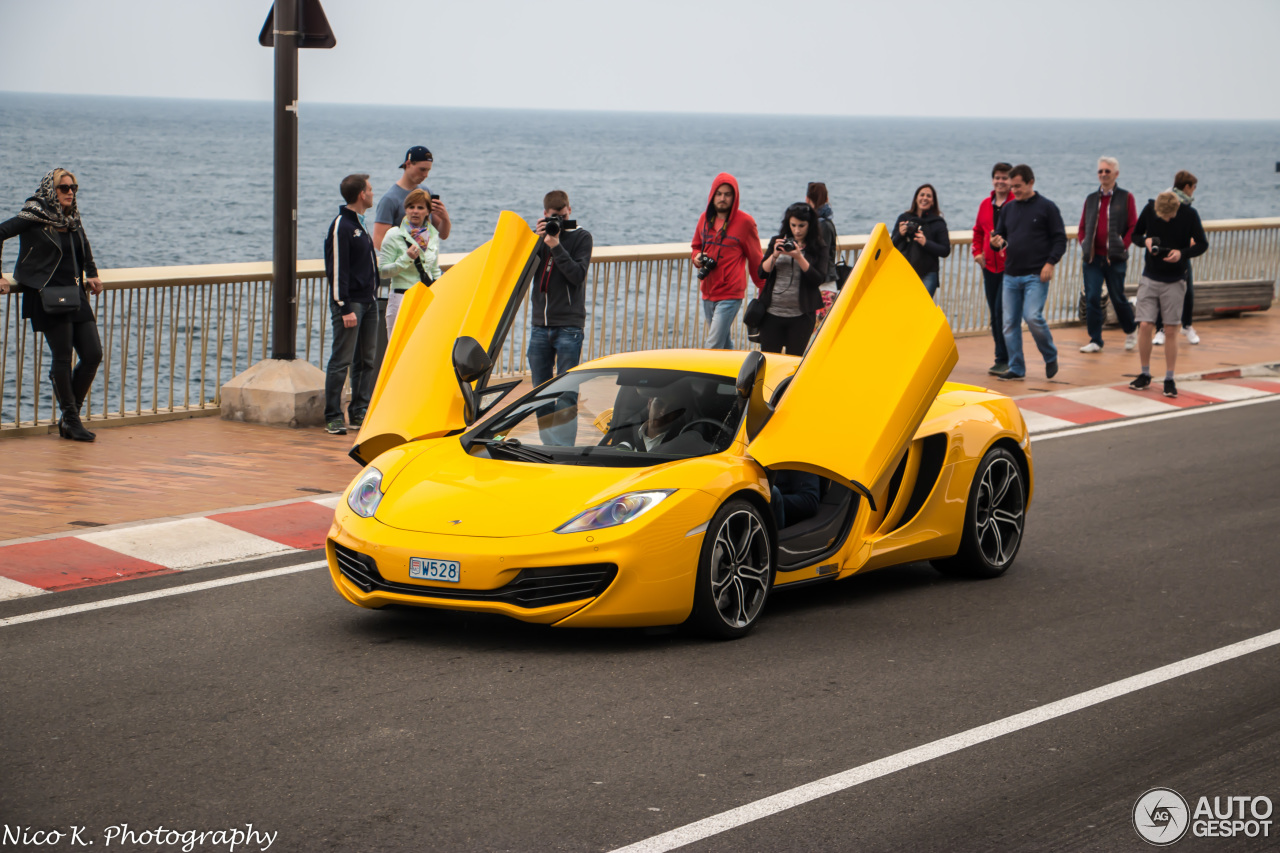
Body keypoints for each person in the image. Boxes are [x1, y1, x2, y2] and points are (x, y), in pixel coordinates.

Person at [0, 169, 104, 442]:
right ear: (51, 190)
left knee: (93, 354)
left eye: (74, 187)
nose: (70, 192)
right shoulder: (33, 216)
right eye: (64, 187)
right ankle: (71, 420)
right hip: (46, 294)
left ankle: (69, 414)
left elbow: (83, 244)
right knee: (62, 357)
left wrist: (91, 273)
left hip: (75, 292)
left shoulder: (71, 218)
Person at [372, 147, 452, 367]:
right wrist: (405, 256)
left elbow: (440, 234)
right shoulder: (390, 199)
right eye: (421, 169)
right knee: (399, 350)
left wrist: (444, 217)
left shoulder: (424, 191)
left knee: (424, 349)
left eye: (428, 170)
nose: (425, 174)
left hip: (424, 288)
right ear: (408, 164)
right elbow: (379, 241)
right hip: (402, 285)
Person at [1128, 191, 1208, 398]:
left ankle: (1169, 378)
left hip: (1175, 278)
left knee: (1171, 329)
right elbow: (1135, 235)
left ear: (1176, 209)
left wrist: (1182, 253)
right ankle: (1145, 373)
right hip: (1150, 276)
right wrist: (1144, 242)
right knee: (1144, 324)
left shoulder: (1189, 215)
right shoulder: (1149, 209)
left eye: (1169, 216)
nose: (1165, 219)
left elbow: (1202, 244)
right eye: (1161, 216)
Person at [990, 164, 1065, 381]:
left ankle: (1050, 355)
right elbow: (1000, 237)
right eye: (1012, 186)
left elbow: (1060, 239)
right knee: (1009, 324)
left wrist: (1050, 263)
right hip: (1011, 274)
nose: (1014, 190)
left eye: (1018, 186)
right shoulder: (1008, 209)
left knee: (1032, 317)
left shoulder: (1047, 208)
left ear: (1031, 182)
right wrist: (996, 243)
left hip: (1036, 274)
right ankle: (1016, 368)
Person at [530, 190, 593, 445]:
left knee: (567, 393)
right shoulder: (540, 239)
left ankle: (563, 448)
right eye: (553, 216)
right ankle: (549, 447)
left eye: (562, 213)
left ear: (570, 209)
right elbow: (523, 270)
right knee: (540, 394)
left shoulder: (581, 237)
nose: (557, 219)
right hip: (539, 326)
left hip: (569, 326)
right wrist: (534, 241)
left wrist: (556, 245)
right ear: (545, 214)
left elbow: (577, 275)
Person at [323, 174, 380, 436]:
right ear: (361, 195)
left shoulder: (360, 223)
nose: (372, 192)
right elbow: (336, 270)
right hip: (351, 304)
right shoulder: (342, 226)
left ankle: (359, 410)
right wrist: (344, 306)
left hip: (368, 301)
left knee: (366, 359)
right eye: (369, 189)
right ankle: (333, 415)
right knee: (341, 360)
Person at [691, 173, 765, 349]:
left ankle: (703, 376)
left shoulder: (745, 223)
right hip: (708, 291)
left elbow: (756, 259)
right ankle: (733, 375)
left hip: (730, 294)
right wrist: (697, 258)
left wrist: (763, 290)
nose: (722, 198)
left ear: (735, 197)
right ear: (712, 195)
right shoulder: (704, 219)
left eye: (727, 194)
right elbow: (695, 246)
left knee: (713, 344)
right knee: (723, 344)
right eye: (719, 194)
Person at [1077, 156, 1139, 354]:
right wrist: (1084, 244)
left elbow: (1133, 226)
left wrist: (1123, 246)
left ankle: (1130, 330)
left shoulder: (1126, 197)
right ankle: (1095, 340)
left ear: (1116, 174)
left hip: (1115, 259)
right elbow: (1082, 228)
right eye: (1100, 171)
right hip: (1093, 259)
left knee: (1117, 297)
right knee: (1093, 297)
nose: (1103, 174)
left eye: (1107, 171)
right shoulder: (1091, 199)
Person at [756, 202, 828, 355]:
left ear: (810, 225)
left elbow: (818, 279)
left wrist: (799, 257)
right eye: (793, 225)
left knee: (794, 362)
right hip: (771, 314)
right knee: (769, 360)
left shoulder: (818, 247)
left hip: (801, 317)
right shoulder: (778, 240)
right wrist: (775, 254)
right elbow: (762, 273)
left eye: (801, 225)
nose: (797, 230)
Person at [378, 188, 440, 337]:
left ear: (427, 211)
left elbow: (435, 270)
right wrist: (406, 258)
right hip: (401, 297)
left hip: (426, 297)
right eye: (411, 207)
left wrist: (440, 295)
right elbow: (383, 271)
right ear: (405, 210)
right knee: (397, 348)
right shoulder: (394, 234)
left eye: (420, 207)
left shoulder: (433, 234)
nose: (415, 211)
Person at [972, 163, 1013, 375]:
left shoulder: (1016, 204)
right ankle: (1001, 358)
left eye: (1005, 178)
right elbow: (978, 230)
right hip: (989, 267)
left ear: (1011, 181)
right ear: (992, 180)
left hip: (1010, 268)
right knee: (995, 314)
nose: (1000, 181)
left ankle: (1007, 358)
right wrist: (977, 253)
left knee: (1001, 311)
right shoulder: (985, 204)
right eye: (997, 177)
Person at [1154, 170, 1202, 346]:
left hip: (1182, 254)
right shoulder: (1165, 202)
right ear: (1187, 186)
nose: (1194, 191)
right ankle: (1160, 330)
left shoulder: (1188, 208)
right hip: (1165, 254)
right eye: (1194, 187)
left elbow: (1194, 231)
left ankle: (1187, 326)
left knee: (1188, 292)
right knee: (1162, 293)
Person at [891, 184, 951, 297]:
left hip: (928, 273)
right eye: (922, 195)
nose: (925, 198)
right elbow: (891, 245)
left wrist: (925, 243)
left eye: (928, 196)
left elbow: (945, 250)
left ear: (933, 201)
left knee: (921, 310)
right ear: (916, 198)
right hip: (905, 271)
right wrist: (900, 234)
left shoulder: (938, 223)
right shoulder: (904, 218)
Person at [806, 182, 840, 321]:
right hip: (824, 285)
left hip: (822, 285)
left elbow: (820, 256)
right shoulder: (825, 221)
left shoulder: (820, 224)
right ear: (826, 199)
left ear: (807, 199)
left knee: (815, 333)